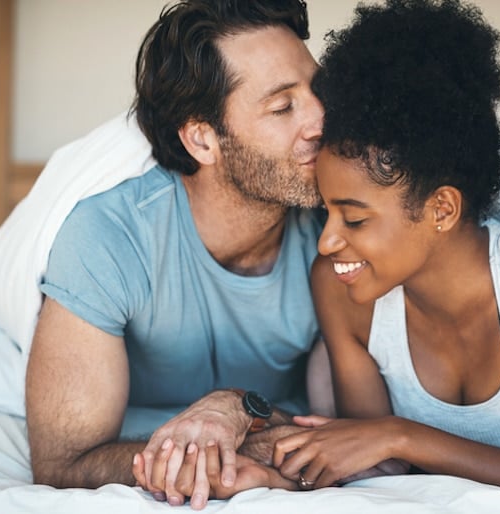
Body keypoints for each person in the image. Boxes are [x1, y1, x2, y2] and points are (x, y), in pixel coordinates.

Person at [271, 0, 500, 489]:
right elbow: (376, 472)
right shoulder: (339, 290)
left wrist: (400, 435)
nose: (326, 242)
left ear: (442, 209)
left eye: (355, 217)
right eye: (326, 212)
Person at [25, 0, 326, 509]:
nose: (320, 120)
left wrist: (237, 409)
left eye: (319, 92)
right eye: (282, 108)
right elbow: (62, 464)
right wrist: (214, 451)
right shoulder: (111, 236)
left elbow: (361, 430)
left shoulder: (339, 228)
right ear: (202, 140)